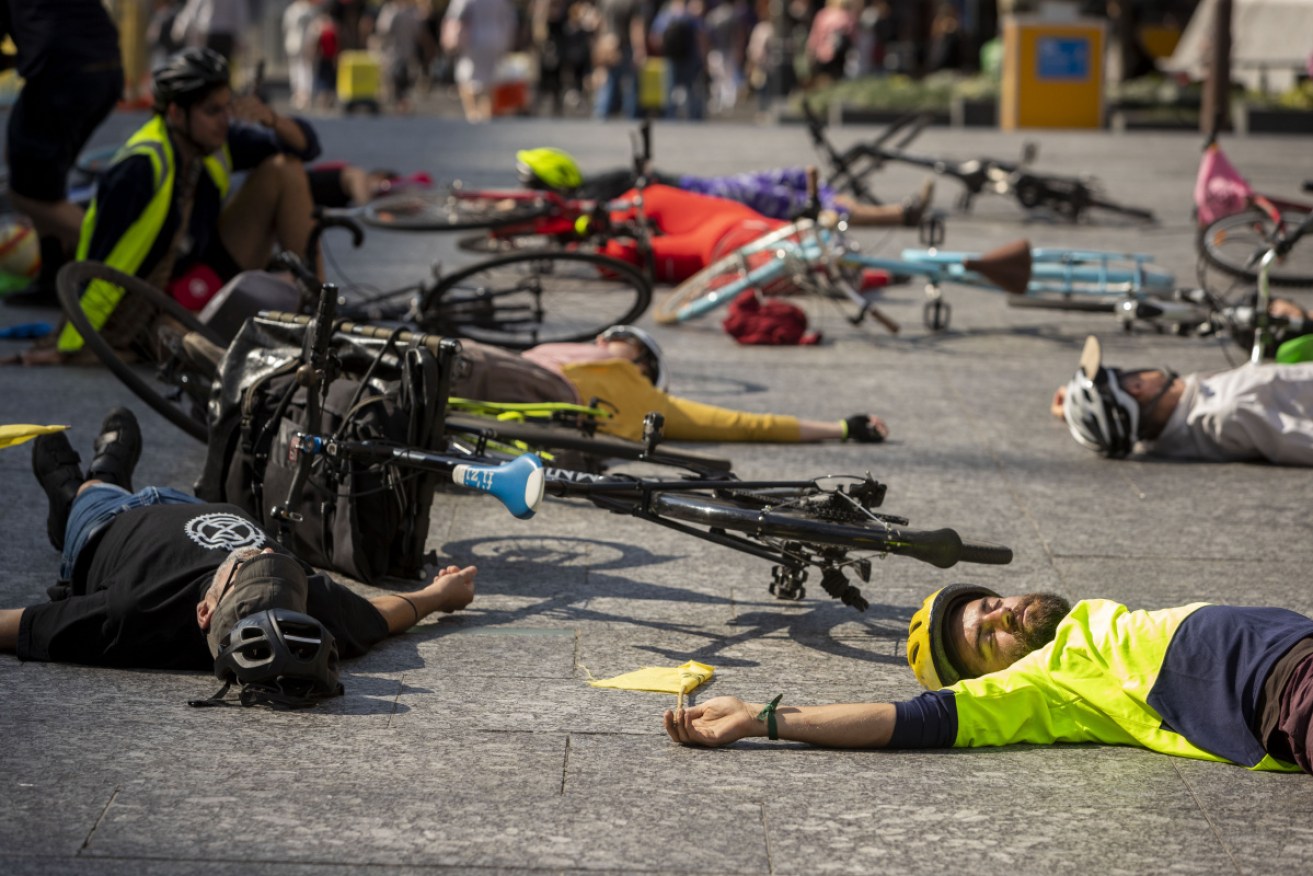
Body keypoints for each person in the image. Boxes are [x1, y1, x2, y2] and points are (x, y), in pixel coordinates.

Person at [8, 406, 476, 707]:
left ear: (204, 610)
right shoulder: (308, 607)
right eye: (272, 559)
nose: (253, 549)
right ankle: (96, 478)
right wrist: (437, 595)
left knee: (91, 489)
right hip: (190, 506)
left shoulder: (132, 614)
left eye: (240, 568)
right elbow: (381, 615)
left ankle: (78, 487)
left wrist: (91, 500)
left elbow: (23, 624)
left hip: (109, 522)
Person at [664, 582, 1313, 774]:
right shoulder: (1040, 682)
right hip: (1287, 693)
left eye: (989, 606)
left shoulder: (1097, 622)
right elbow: (910, 720)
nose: (1001, 614)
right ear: (992, 675)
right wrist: (765, 719)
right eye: (985, 638)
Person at [23, 47, 322, 366]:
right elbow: (99, 262)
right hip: (156, 302)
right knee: (188, 351)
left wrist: (272, 119)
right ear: (177, 113)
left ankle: (320, 313)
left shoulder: (215, 139)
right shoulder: (140, 168)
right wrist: (72, 342)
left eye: (227, 108)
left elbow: (305, 148)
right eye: (212, 111)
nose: (225, 120)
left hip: (202, 271)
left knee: (285, 169)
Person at [447, 325, 890, 443]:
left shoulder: (642, 393)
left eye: (619, 340)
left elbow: (746, 423)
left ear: (641, 363)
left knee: (455, 358)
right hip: (518, 383)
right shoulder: (588, 352)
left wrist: (842, 428)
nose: (603, 340)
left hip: (544, 391)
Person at [0, 0, 123, 307]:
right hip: (104, 71)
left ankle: (125, 268)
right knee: (43, 183)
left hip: (61, 75)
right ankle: (55, 275)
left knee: (26, 193)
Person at [515, 147, 935, 230]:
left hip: (701, 186)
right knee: (795, 202)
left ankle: (855, 208)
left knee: (796, 178)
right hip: (708, 195)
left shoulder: (589, 189)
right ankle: (897, 215)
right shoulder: (585, 200)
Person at [1054, 334, 1313, 465]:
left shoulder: (1162, 438)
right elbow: (1301, 440)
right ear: (1136, 387)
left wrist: (1071, 410)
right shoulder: (1229, 409)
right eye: (1123, 373)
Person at [442, 0, 517, 123]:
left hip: (473, 39)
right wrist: (506, 41)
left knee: (466, 77)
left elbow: (454, 16)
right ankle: (486, 114)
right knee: (489, 79)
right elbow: (509, 19)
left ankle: (472, 113)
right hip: (496, 39)